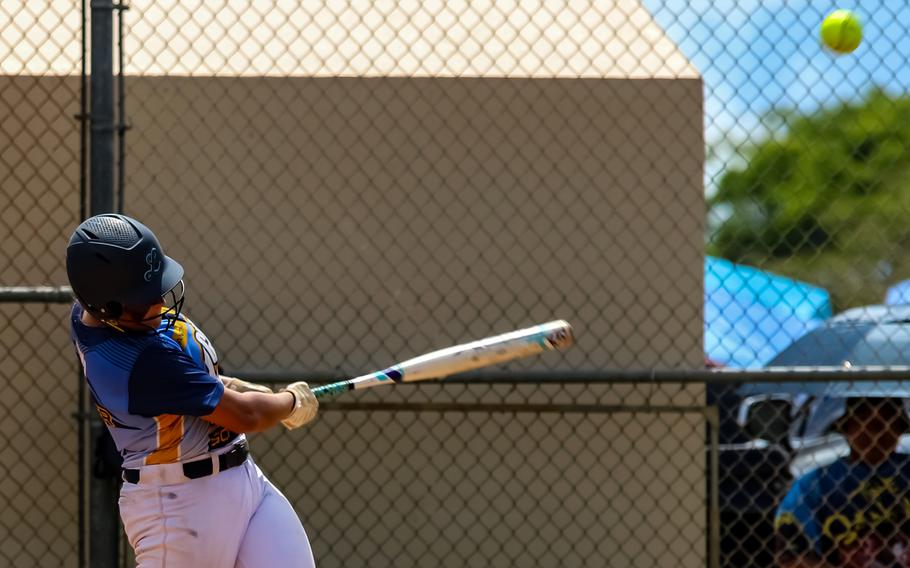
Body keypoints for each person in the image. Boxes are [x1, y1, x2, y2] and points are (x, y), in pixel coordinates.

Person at [66, 213, 319, 567]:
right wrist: (290, 401)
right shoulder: (140, 359)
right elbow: (248, 415)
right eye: (143, 298)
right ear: (106, 308)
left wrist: (226, 386)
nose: (157, 302)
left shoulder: (88, 312)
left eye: (154, 287)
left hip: (243, 481)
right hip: (178, 508)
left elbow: (187, 390)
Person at [775, 396, 910, 567]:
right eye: (868, 424)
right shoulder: (817, 483)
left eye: (889, 424)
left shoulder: (905, 472)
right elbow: (791, 553)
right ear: (847, 429)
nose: (878, 434)